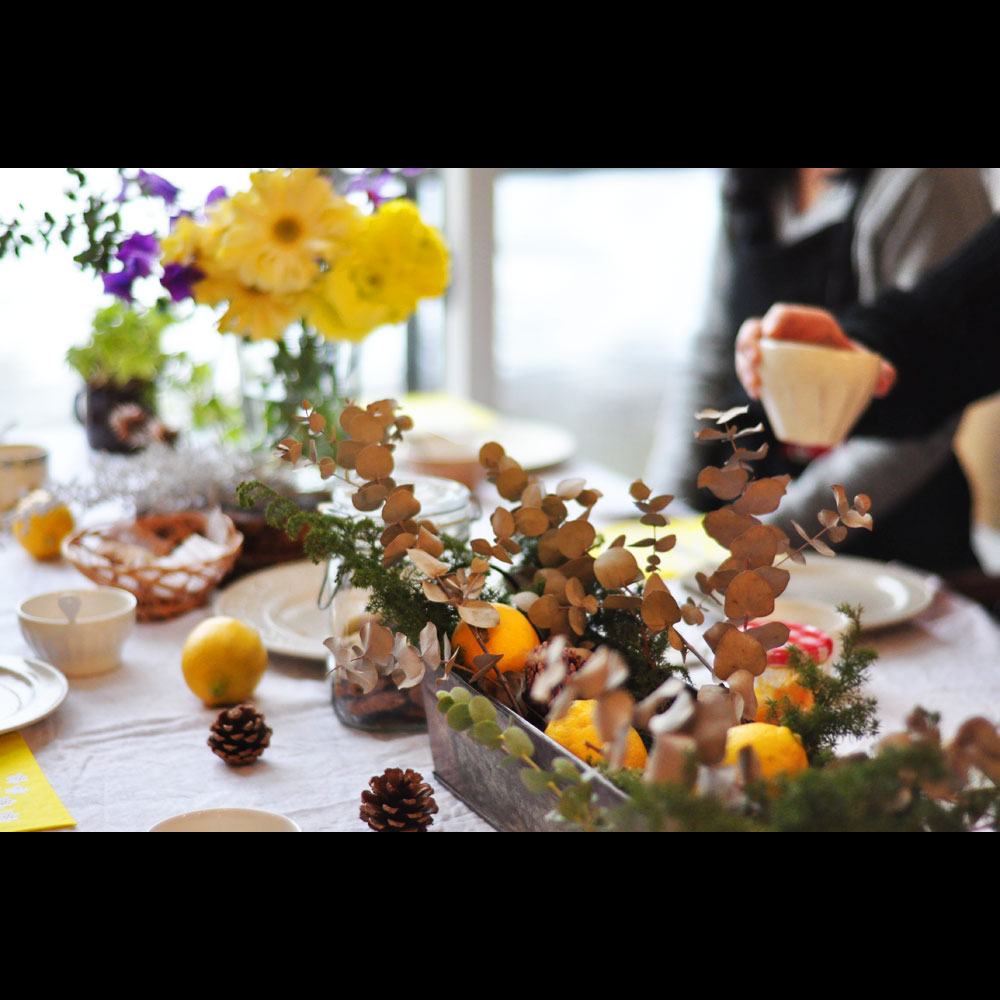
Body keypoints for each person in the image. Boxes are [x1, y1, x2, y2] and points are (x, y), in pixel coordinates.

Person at [647, 167, 995, 572]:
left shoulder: (927, 181)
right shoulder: (748, 183)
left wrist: (771, 535)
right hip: (736, 523)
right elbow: (711, 353)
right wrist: (665, 513)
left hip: (881, 545)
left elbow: (939, 372)